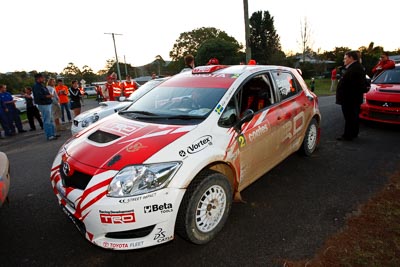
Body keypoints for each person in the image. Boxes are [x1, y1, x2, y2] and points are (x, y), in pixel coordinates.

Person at [336, 51, 368, 141]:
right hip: (351, 98)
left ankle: (348, 135)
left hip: (350, 99)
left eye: (345, 58)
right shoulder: (354, 67)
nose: (344, 60)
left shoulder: (356, 68)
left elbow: (356, 85)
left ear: (351, 58)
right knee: (353, 117)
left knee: (350, 117)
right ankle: (353, 133)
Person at [32, 73, 58, 141]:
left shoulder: (42, 85)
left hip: (48, 103)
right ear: (38, 78)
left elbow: (46, 93)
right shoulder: (36, 86)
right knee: (47, 120)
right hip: (43, 105)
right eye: (42, 78)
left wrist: (49, 95)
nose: (44, 79)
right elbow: (39, 96)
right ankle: (49, 135)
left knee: (51, 120)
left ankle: (53, 133)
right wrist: (48, 96)